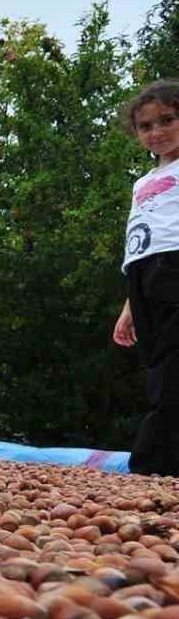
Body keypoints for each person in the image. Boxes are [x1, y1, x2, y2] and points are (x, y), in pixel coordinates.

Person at [113, 79, 179, 475]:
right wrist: (129, 306)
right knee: (158, 363)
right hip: (144, 274)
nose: (156, 132)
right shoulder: (143, 182)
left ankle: (154, 465)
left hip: (176, 266)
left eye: (168, 120)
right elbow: (140, 241)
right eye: (146, 125)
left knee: (174, 363)